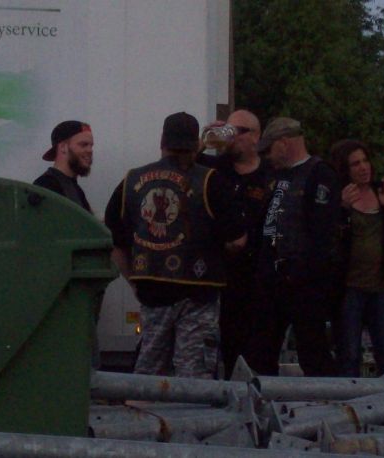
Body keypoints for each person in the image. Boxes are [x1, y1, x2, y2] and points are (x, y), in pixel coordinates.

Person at [104, 112, 246, 379]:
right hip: (199, 295)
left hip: (152, 294)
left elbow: (114, 241)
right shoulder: (211, 181)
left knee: (148, 376)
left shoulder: (132, 180)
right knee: (193, 380)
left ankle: (144, 408)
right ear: (195, 144)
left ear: (162, 141)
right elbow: (238, 240)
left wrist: (134, 281)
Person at [244, 117, 340, 376]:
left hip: (303, 282)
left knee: (312, 350)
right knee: (260, 351)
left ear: (284, 143)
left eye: (270, 149)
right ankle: (264, 398)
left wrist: (306, 272)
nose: (267, 157)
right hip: (270, 277)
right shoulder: (273, 175)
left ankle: (323, 398)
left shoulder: (320, 173)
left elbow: (323, 234)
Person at [197, 109, 274, 378]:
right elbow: (183, 163)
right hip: (219, 275)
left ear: (256, 137)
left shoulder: (269, 175)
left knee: (257, 352)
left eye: (238, 131)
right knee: (221, 346)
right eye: (228, 129)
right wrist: (205, 138)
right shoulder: (215, 170)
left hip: (256, 277)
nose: (231, 136)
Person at [329, 140, 384, 377]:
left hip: (380, 287)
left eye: (365, 161)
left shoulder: (382, 193)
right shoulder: (339, 197)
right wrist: (341, 209)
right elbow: (329, 237)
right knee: (349, 354)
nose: (363, 167)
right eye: (355, 164)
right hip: (350, 288)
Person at [34, 120, 93, 212]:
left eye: (91, 146)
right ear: (63, 147)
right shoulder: (45, 186)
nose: (90, 150)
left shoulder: (77, 190)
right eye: (83, 145)